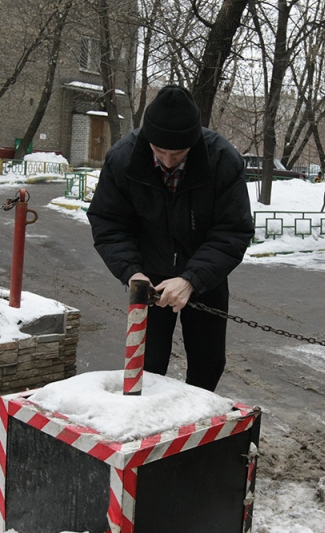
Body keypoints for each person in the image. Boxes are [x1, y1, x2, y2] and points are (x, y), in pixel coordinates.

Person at [86, 85, 254, 392]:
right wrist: (132, 272)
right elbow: (109, 223)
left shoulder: (222, 160)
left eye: (177, 153)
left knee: (208, 363)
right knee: (146, 365)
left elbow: (232, 231)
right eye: (159, 151)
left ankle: (195, 429)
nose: (166, 160)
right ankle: (147, 428)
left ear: (193, 142)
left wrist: (190, 280)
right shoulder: (123, 158)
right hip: (148, 278)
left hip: (204, 276)